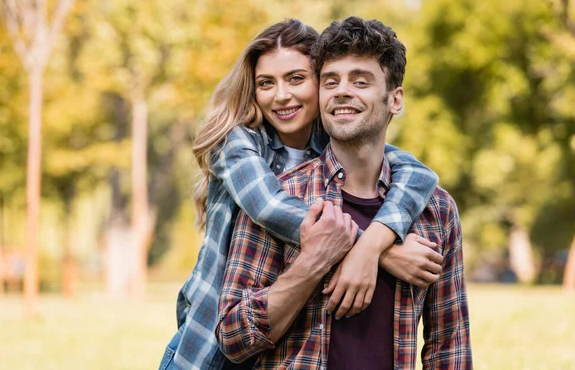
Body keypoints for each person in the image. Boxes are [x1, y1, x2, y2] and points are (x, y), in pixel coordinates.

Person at [159, 19, 443, 370]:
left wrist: (374, 245)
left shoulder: (332, 143)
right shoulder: (236, 143)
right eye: (266, 83)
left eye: (296, 78)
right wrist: (380, 252)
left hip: (271, 346)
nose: (281, 95)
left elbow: (418, 173)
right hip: (205, 348)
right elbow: (270, 207)